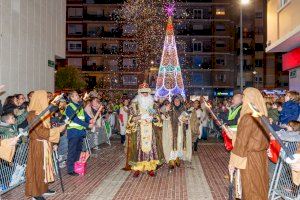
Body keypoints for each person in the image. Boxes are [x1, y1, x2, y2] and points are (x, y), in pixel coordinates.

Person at [228, 87, 269, 200]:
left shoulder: (248, 117)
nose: (243, 99)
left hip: (249, 158)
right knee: (260, 186)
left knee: (251, 188)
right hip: (261, 157)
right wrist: (235, 135)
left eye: (245, 96)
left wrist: (233, 162)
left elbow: (242, 143)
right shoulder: (263, 116)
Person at [25, 90, 66, 200]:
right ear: (39, 99)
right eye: (46, 98)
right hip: (38, 145)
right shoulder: (32, 114)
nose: (48, 100)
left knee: (45, 167)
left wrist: (52, 142)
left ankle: (43, 188)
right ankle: (36, 193)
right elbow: (40, 132)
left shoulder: (43, 112)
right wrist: (57, 130)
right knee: (38, 168)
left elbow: (46, 129)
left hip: (45, 143)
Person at [125, 82, 164, 177]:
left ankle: (150, 168)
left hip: (151, 130)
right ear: (139, 93)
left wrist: (153, 118)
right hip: (139, 130)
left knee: (151, 149)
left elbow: (158, 118)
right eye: (143, 92)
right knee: (138, 149)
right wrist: (140, 117)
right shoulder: (134, 104)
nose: (145, 94)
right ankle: (138, 168)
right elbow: (130, 119)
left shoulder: (153, 104)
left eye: (146, 92)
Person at [65, 91, 94, 176]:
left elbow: (84, 115)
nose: (78, 96)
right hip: (73, 132)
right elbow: (75, 119)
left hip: (80, 132)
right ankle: (70, 170)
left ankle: (76, 166)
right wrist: (87, 125)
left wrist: (90, 119)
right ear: (72, 97)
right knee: (72, 151)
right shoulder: (69, 107)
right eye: (76, 95)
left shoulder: (79, 106)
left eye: (78, 95)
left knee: (78, 151)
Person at [161, 95, 193, 169]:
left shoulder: (184, 109)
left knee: (179, 143)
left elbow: (187, 120)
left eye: (178, 100)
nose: (177, 102)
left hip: (181, 130)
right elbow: (163, 116)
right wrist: (165, 110)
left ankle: (177, 158)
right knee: (171, 144)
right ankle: (171, 160)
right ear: (173, 101)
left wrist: (186, 120)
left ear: (181, 101)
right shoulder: (170, 108)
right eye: (175, 100)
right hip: (171, 131)